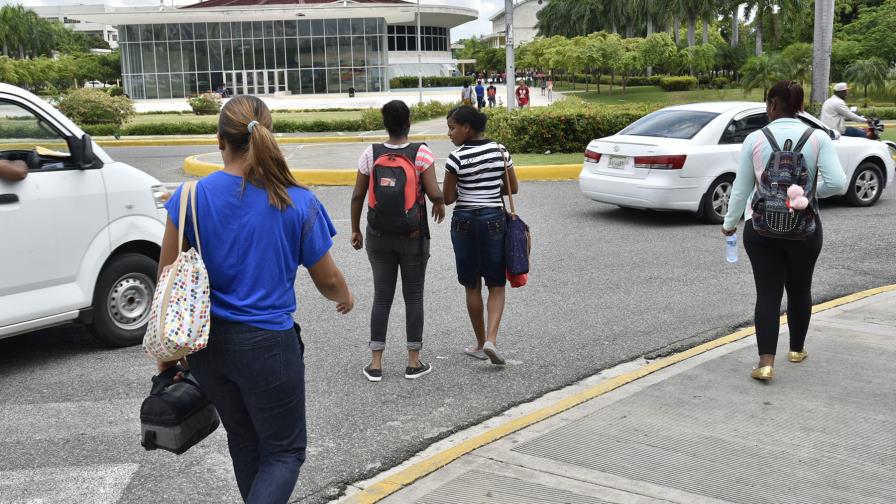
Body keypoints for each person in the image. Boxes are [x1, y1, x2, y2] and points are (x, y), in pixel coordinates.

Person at [157, 95, 354, 503]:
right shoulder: (296, 200)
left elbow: (167, 277)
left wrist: (168, 354)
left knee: (245, 444)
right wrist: (345, 295)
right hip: (269, 346)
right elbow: (327, 278)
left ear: (219, 141)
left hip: (208, 348)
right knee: (284, 453)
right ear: (268, 136)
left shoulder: (190, 197)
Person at [722, 81, 847, 382]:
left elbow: (740, 190)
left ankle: (765, 363)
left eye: (768, 103)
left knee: (767, 293)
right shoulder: (818, 137)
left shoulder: (755, 138)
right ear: (800, 106)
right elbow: (838, 183)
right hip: (805, 228)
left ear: (774, 104)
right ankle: (797, 350)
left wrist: (729, 223)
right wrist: (804, 194)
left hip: (760, 229)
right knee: (800, 289)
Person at [351, 100, 446, 382]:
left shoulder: (371, 153)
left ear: (385, 123)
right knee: (413, 296)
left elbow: (358, 195)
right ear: (409, 122)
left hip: (377, 235)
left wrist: (355, 229)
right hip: (412, 236)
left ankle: (376, 363)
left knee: (382, 296)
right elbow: (433, 192)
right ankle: (413, 361)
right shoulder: (421, 153)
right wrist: (439, 202)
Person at [443, 106, 519, 366]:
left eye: (452, 128)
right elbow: (514, 187)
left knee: (471, 284)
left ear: (467, 128)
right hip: (493, 220)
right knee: (496, 284)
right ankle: (491, 340)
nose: (450, 134)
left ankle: (478, 343)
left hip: (464, 221)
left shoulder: (455, 158)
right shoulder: (501, 151)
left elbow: (448, 198)